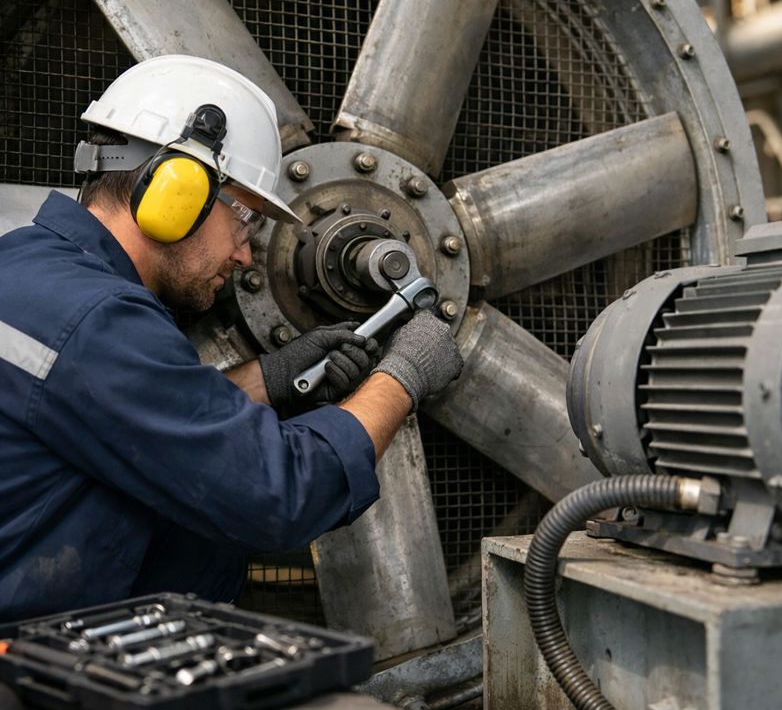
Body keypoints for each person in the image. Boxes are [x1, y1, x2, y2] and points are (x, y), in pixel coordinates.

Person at [0, 55, 463, 623]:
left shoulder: (30, 270)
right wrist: (405, 375)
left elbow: (132, 420)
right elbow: (278, 494)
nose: (245, 252)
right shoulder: (95, 320)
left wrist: (268, 381)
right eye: (245, 220)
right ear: (176, 189)